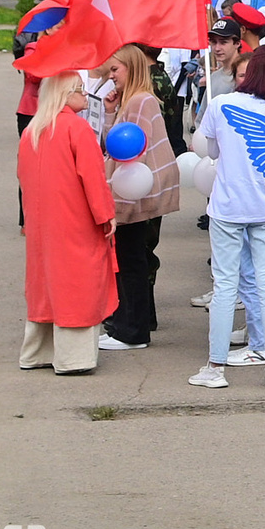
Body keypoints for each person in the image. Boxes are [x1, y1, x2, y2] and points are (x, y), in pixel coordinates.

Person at [190, 44, 265, 392]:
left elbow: (213, 150)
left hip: (228, 206)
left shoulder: (222, 104)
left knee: (225, 286)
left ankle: (215, 367)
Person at [15, 73, 117, 376]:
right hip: (75, 220)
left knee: (44, 283)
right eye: (80, 91)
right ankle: (74, 358)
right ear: (66, 94)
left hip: (41, 222)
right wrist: (106, 214)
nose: (86, 96)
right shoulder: (77, 129)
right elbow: (93, 178)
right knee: (77, 284)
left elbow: (23, 179)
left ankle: (37, 352)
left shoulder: (33, 130)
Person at [96, 45, 180, 351]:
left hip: (137, 191)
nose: (111, 77)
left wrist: (124, 193)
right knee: (128, 259)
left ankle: (133, 331)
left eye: (115, 70)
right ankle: (124, 324)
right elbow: (114, 142)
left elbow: (134, 151)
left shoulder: (142, 101)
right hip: (131, 187)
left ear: (131, 68)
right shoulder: (131, 100)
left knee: (132, 260)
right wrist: (108, 113)